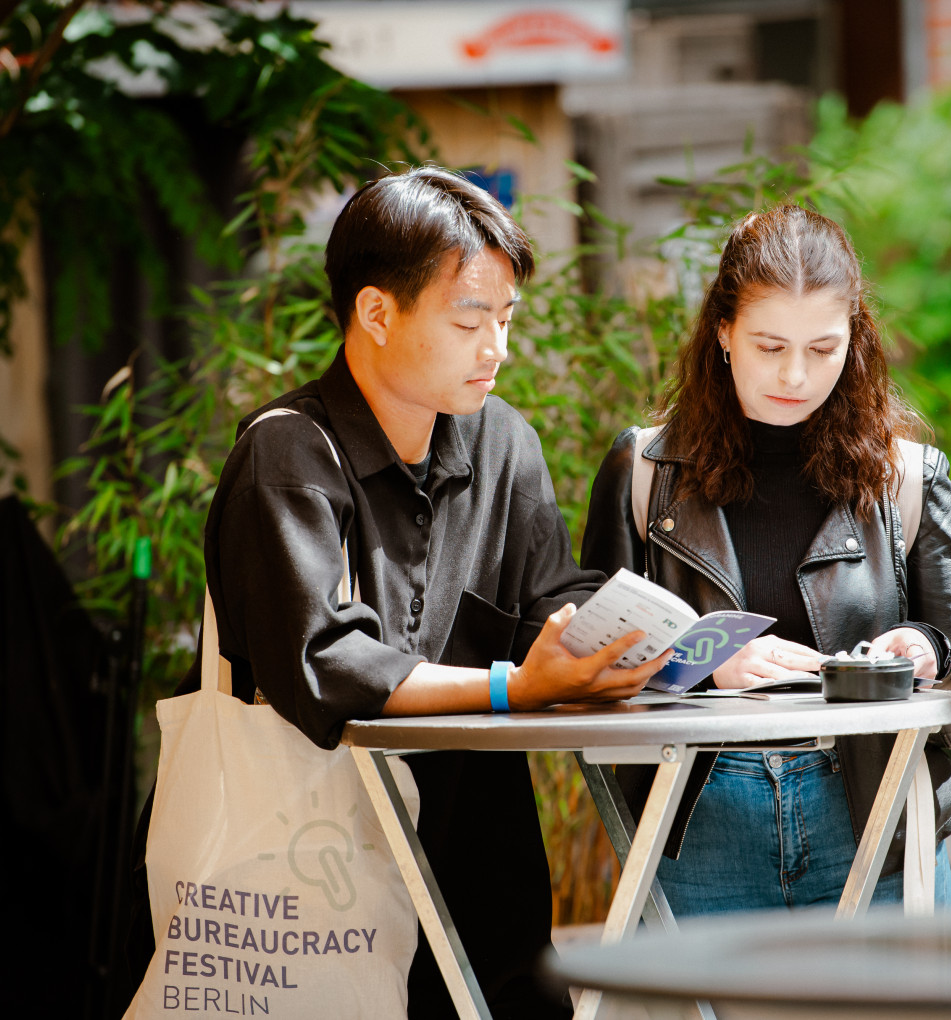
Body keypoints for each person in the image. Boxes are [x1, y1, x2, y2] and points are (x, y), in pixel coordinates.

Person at [125, 167, 671, 1019]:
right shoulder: (287, 457)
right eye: (469, 320)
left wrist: (626, 641)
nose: (497, 348)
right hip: (312, 853)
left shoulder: (504, 442)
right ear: (376, 312)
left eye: (505, 318)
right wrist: (511, 688)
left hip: (477, 851)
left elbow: (547, 603)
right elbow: (326, 667)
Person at [580, 203, 951, 915]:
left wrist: (924, 651)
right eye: (770, 346)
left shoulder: (910, 480)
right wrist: (702, 663)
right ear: (723, 331)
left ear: (854, 339)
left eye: (823, 348)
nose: (796, 375)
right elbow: (585, 676)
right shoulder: (645, 471)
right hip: (698, 823)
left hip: (874, 817)